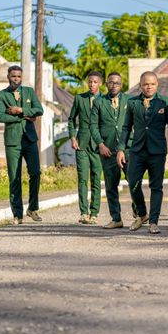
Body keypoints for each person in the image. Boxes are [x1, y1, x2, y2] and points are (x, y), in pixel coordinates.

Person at [117, 72, 168, 234]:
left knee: (156, 187)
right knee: (133, 182)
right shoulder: (132, 103)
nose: (149, 87)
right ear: (140, 85)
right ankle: (142, 214)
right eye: (146, 84)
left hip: (157, 151)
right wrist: (121, 149)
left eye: (152, 84)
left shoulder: (165, 102)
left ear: (157, 85)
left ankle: (153, 222)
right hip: (137, 151)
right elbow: (126, 127)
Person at [0, 65, 44, 225]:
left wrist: (20, 110)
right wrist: (23, 116)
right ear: (8, 77)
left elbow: (39, 110)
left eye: (18, 76)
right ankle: (17, 214)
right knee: (14, 178)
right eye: (13, 76)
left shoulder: (29, 92)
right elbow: (1, 117)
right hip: (13, 142)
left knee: (35, 173)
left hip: (29, 139)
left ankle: (32, 208)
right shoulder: (1, 95)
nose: (16, 79)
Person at [90, 72, 130, 229]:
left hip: (127, 149)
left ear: (122, 85)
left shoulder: (129, 100)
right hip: (107, 151)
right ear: (106, 84)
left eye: (117, 83)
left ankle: (139, 214)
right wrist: (100, 144)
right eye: (111, 83)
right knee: (111, 186)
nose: (114, 85)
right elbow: (93, 125)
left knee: (133, 181)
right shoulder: (99, 102)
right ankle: (116, 218)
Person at [68, 71, 104, 224]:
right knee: (82, 179)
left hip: (98, 145)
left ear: (100, 84)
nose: (91, 84)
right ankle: (84, 213)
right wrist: (72, 137)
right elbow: (71, 119)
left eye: (95, 82)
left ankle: (94, 213)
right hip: (81, 144)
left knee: (96, 179)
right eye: (90, 82)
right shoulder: (79, 98)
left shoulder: (105, 100)